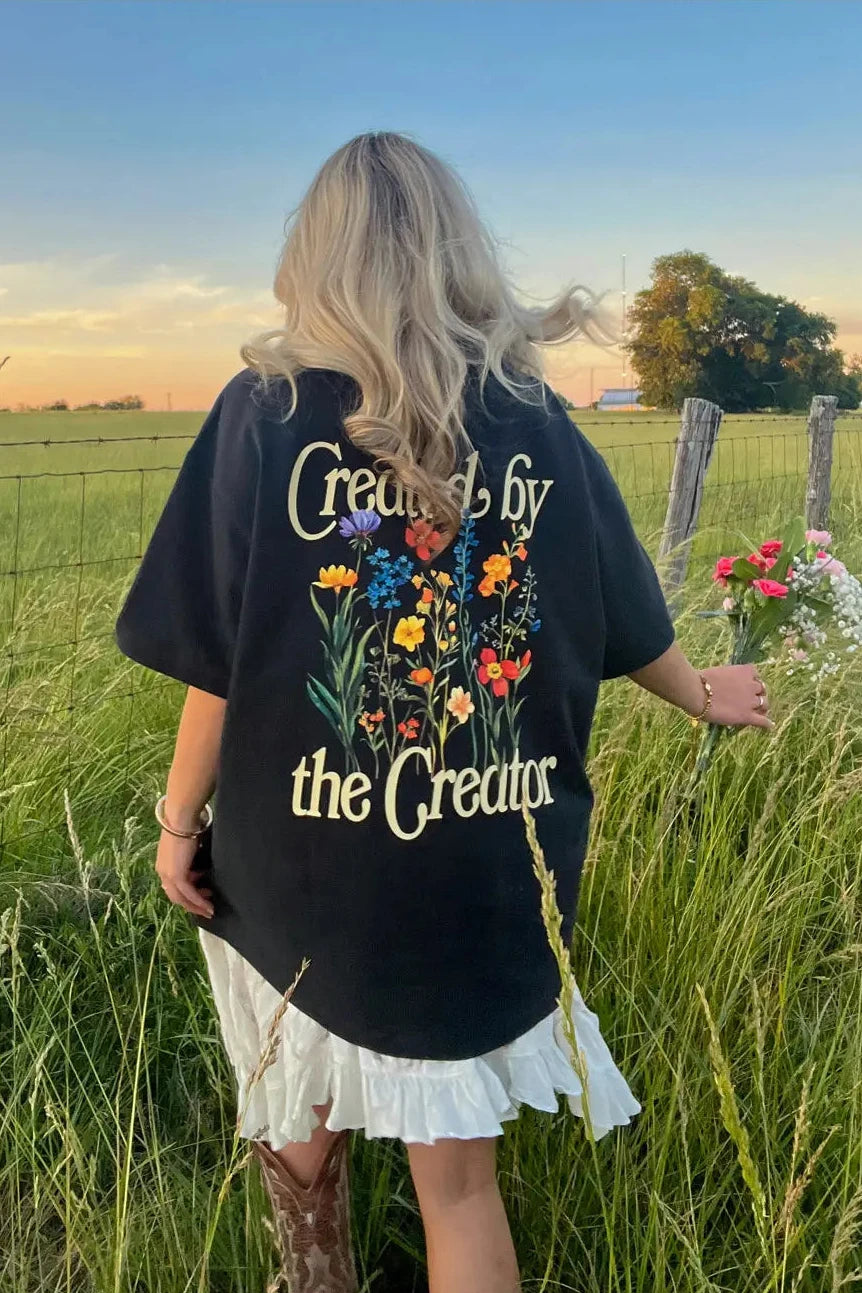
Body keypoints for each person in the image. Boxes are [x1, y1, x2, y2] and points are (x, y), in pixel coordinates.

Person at [114, 132, 772, 1293]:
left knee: (293, 1099)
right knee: (459, 1189)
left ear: (312, 259)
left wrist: (178, 823)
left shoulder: (260, 413)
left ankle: (309, 1273)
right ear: (459, 254)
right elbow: (619, 601)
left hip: (295, 865)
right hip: (483, 868)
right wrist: (700, 693)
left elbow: (212, 664)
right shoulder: (535, 418)